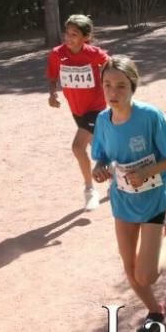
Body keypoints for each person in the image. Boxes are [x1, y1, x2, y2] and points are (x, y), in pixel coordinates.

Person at [90, 56, 166, 332]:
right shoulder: (102, 120)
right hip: (122, 201)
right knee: (129, 269)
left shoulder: (149, 116)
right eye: (107, 85)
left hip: (153, 201)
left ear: (133, 87)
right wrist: (99, 168)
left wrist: (147, 171)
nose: (113, 92)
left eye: (121, 86)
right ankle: (155, 312)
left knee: (146, 276)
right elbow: (102, 155)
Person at [47, 14, 110, 211]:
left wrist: (113, 89)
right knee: (97, 146)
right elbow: (53, 75)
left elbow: (114, 68)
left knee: (77, 147)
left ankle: (90, 190)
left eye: (74, 34)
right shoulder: (57, 54)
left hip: (96, 107)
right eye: (67, 33)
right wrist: (52, 94)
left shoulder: (95, 54)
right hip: (76, 108)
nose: (69, 37)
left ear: (86, 37)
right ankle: (114, 175)